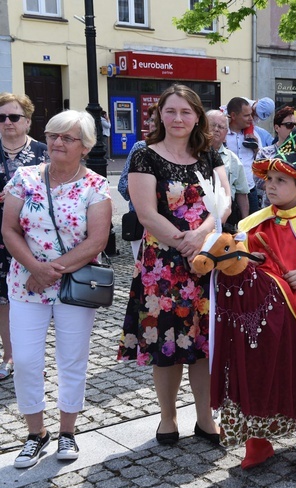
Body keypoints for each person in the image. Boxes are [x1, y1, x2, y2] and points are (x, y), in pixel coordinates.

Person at [210, 135, 296, 474]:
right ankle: (259, 442)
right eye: (268, 180)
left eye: (280, 180)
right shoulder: (252, 224)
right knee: (258, 375)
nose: (271, 186)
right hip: (263, 323)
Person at [117, 84, 230, 446]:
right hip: (162, 265)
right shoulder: (144, 156)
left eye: (185, 112)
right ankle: (168, 418)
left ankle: (204, 418)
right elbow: (147, 213)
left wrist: (200, 235)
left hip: (207, 259)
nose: (178, 118)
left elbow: (224, 201)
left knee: (203, 344)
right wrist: (184, 242)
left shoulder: (209, 155)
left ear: (197, 116)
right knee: (165, 345)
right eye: (171, 111)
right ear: (159, 115)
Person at [3, 110, 111, 467]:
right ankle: (36, 434)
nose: (57, 143)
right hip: (25, 284)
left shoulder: (95, 185)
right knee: (28, 361)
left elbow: (96, 240)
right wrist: (35, 268)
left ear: (85, 146)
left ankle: (67, 432)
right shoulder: (25, 177)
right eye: (52, 135)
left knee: (72, 360)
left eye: (67, 138)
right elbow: (9, 230)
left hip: (73, 288)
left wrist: (50, 272)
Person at [0, 92, 48, 381]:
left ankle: (31, 357)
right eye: (2, 117)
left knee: (33, 298)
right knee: (3, 300)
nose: (7, 122)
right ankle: (9, 355)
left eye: (14, 116)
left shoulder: (43, 152)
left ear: (27, 121)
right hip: (1, 237)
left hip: (34, 238)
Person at [118, 104, 157, 259]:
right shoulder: (140, 148)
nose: (153, 124)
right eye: (151, 120)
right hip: (142, 222)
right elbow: (122, 185)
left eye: (158, 120)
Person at [206, 109, 250, 232]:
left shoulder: (233, 159)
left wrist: (244, 223)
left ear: (226, 133)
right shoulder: (190, 154)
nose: (216, 129)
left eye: (221, 127)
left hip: (225, 216)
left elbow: (242, 193)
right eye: (212, 125)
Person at [226, 97, 261, 215]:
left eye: (251, 115)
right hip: (227, 190)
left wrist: (256, 148)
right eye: (246, 115)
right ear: (233, 115)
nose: (251, 119)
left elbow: (260, 162)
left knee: (253, 227)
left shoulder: (253, 134)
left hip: (250, 189)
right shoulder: (222, 135)